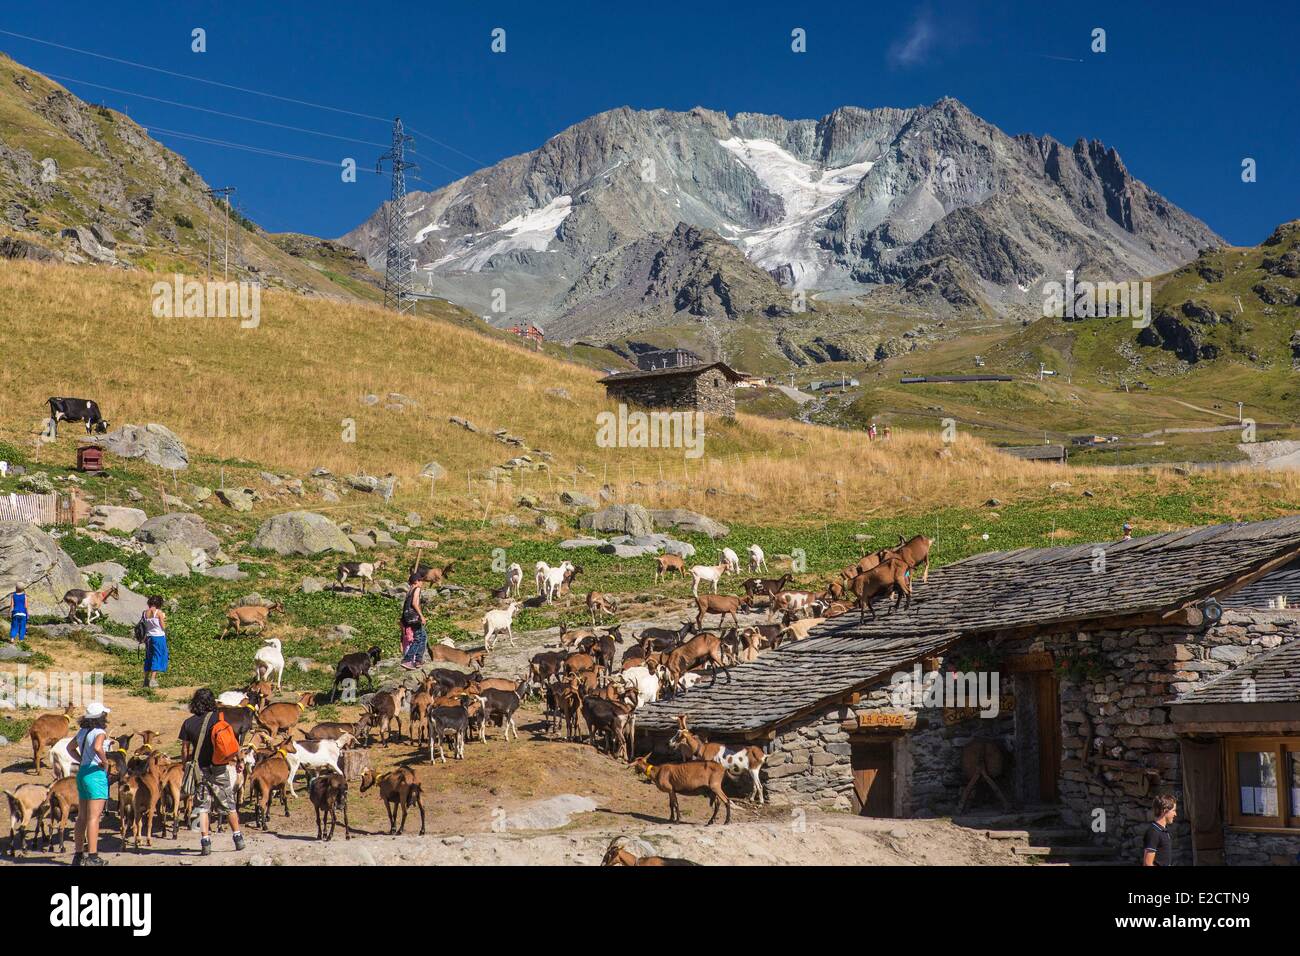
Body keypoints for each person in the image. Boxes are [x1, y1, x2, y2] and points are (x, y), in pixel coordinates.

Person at [179, 688, 244, 856]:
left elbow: (185, 750)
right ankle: (238, 838)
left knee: (202, 807)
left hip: (199, 769)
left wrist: (185, 765)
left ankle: (205, 841)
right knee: (229, 803)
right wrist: (239, 761)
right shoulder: (219, 719)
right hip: (219, 767)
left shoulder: (188, 723)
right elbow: (231, 743)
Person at [68, 701, 111, 866]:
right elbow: (98, 747)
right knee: (94, 817)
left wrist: (82, 761)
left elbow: (70, 748)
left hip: (82, 772)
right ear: (101, 717)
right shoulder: (100, 731)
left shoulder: (82, 731)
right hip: (95, 774)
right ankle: (93, 856)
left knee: (82, 817)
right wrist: (105, 762)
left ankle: (78, 855)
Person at [400, 573, 427, 670]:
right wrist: (421, 616)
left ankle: (418, 660)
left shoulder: (409, 591)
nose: (422, 582)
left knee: (423, 637)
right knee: (418, 638)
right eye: (420, 580)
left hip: (407, 618)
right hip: (414, 618)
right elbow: (415, 603)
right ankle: (408, 660)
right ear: (416, 582)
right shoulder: (417, 589)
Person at [1141, 794, 1177, 866]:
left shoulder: (1163, 830)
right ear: (1165, 811)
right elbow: (1147, 864)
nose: (1175, 814)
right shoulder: (1153, 832)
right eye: (1173, 810)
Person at [141, 595, 168, 688]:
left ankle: (145, 680)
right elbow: (163, 627)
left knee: (148, 657)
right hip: (158, 637)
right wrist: (164, 619)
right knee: (158, 656)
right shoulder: (159, 613)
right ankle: (153, 680)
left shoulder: (145, 613)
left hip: (148, 637)